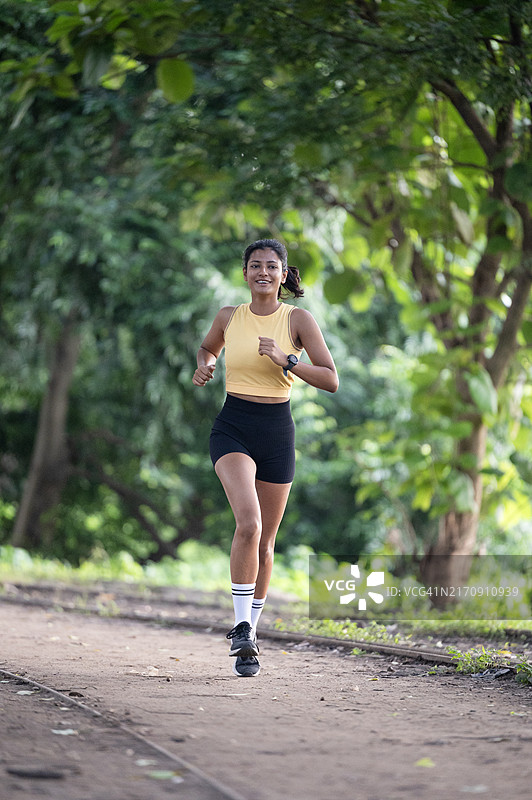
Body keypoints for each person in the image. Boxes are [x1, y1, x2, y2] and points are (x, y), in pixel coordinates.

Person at [192, 238, 338, 677]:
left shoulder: (297, 320)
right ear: (245, 273)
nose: (263, 273)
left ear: (282, 273)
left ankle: (249, 637)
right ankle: (239, 625)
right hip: (233, 426)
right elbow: (207, 348)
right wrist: (205, 364)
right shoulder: (228, 317)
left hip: (277, 431)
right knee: (249, 524)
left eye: (271, 266)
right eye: (255, 265)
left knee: (268, 541)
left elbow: (331, 379)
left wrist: (288, 360)